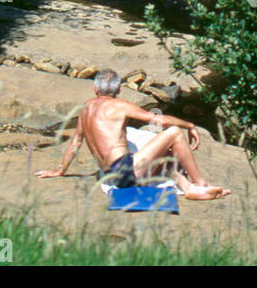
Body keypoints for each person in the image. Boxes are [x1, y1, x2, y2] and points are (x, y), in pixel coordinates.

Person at [34, 69, 228, 200]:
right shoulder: (120, 105)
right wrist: (189, 124)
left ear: (95, 89)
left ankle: (188, 188)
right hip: (128, 171)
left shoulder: (85, 109)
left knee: (163, 164)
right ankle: (201, 184)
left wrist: (60, 169)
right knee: (174, 133)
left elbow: (76, 142)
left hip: (112, 177)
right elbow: (157, 120)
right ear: (118, 90)